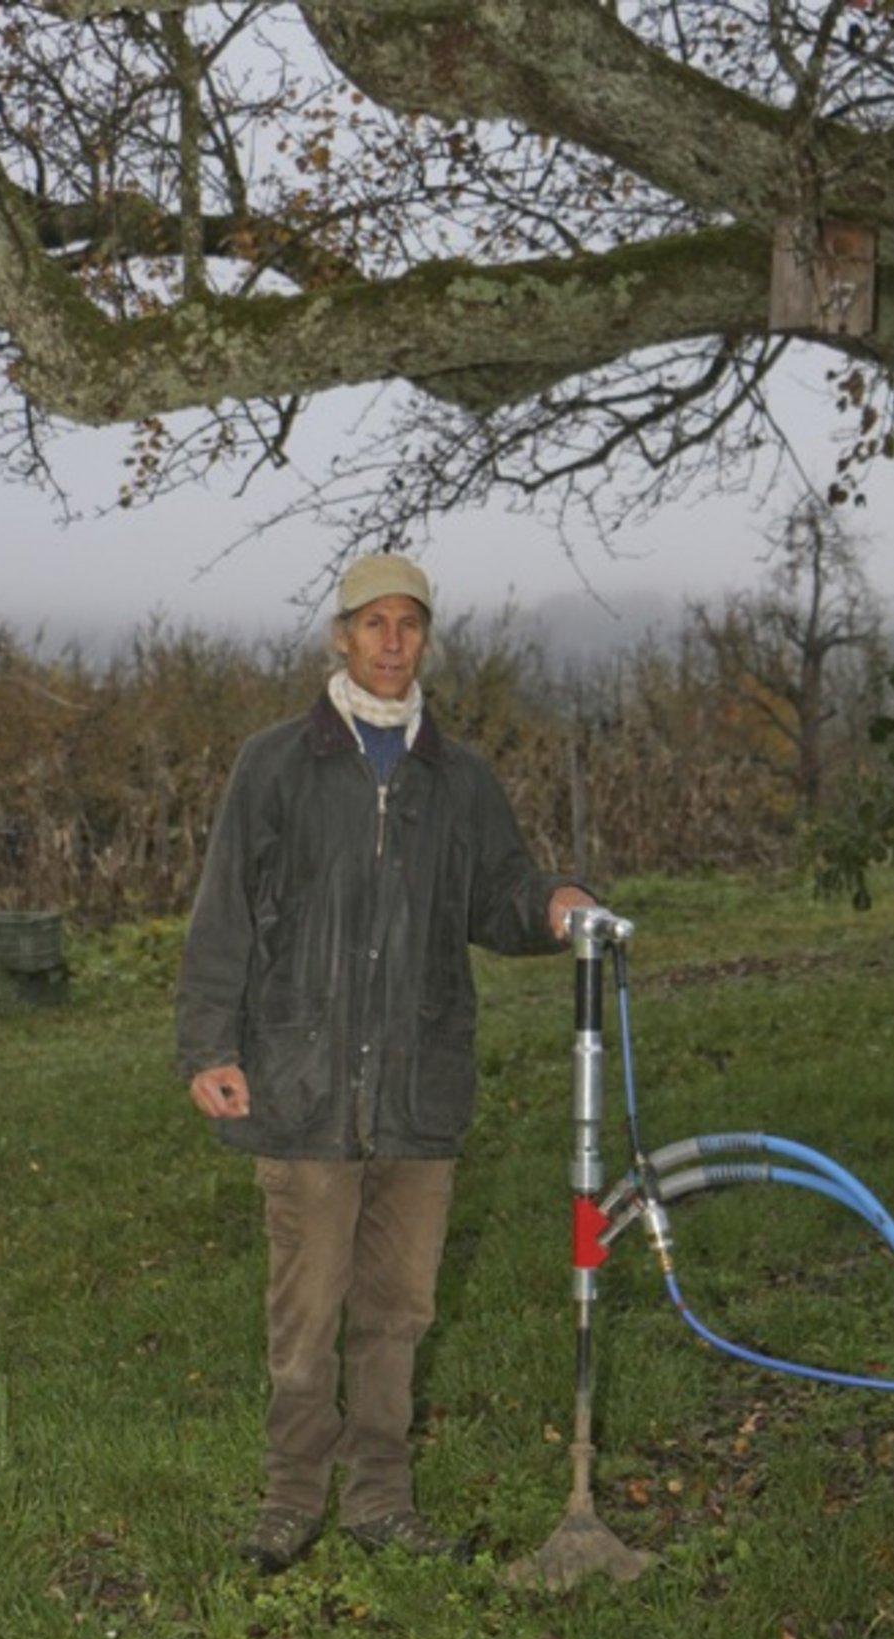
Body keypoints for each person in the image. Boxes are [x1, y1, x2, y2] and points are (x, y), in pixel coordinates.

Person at [175, 552, 592, 1574]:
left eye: (410, 623)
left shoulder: (460, 777)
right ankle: (288, 1499)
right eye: (374, 624)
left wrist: (548, 906)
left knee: (397, 1310)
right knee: (307, 1309)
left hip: (418, 1092)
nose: (393, 641)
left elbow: (494, 895)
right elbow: (223, 910)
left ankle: (379, 1499)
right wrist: (207, 1045)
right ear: (341, 635)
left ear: (425, 639)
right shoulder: (274, 764)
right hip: (301, 1084)